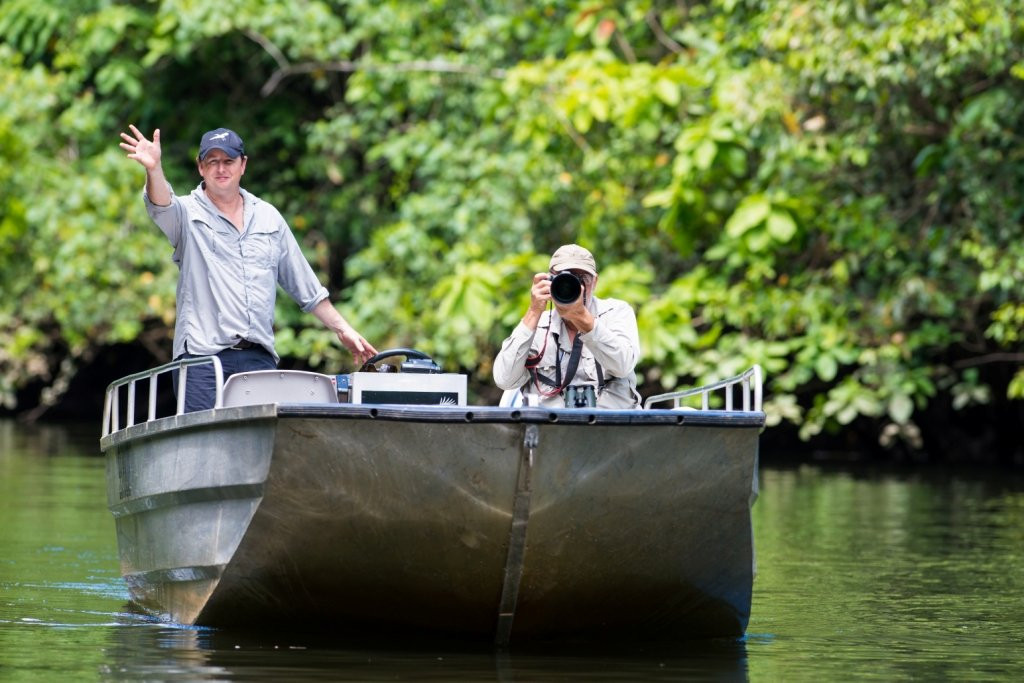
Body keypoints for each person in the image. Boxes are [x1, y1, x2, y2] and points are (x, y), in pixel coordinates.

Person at [119, 124, 377, 411]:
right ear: (201, 168)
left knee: (264, 432)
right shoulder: (186, 214)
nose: (221, 168)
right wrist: (154, 169)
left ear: (243, 165)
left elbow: (307, 288)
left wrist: (343, 330)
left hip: (258, 357)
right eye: (212, 161)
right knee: (206, 435)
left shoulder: (268, 217)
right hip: (202, 360)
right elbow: (161, 205)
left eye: (228, 161)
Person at [493, 244, 641, 409]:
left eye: (582, 278)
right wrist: (533, 311)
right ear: (549, 281)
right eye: (565, 279)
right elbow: (504, 379)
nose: (574, 286)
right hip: (552, 424)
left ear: (595, 281)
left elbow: (623, 366)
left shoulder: (616, 312)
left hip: (612, 422)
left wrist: (582, 317)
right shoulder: (538, 324)